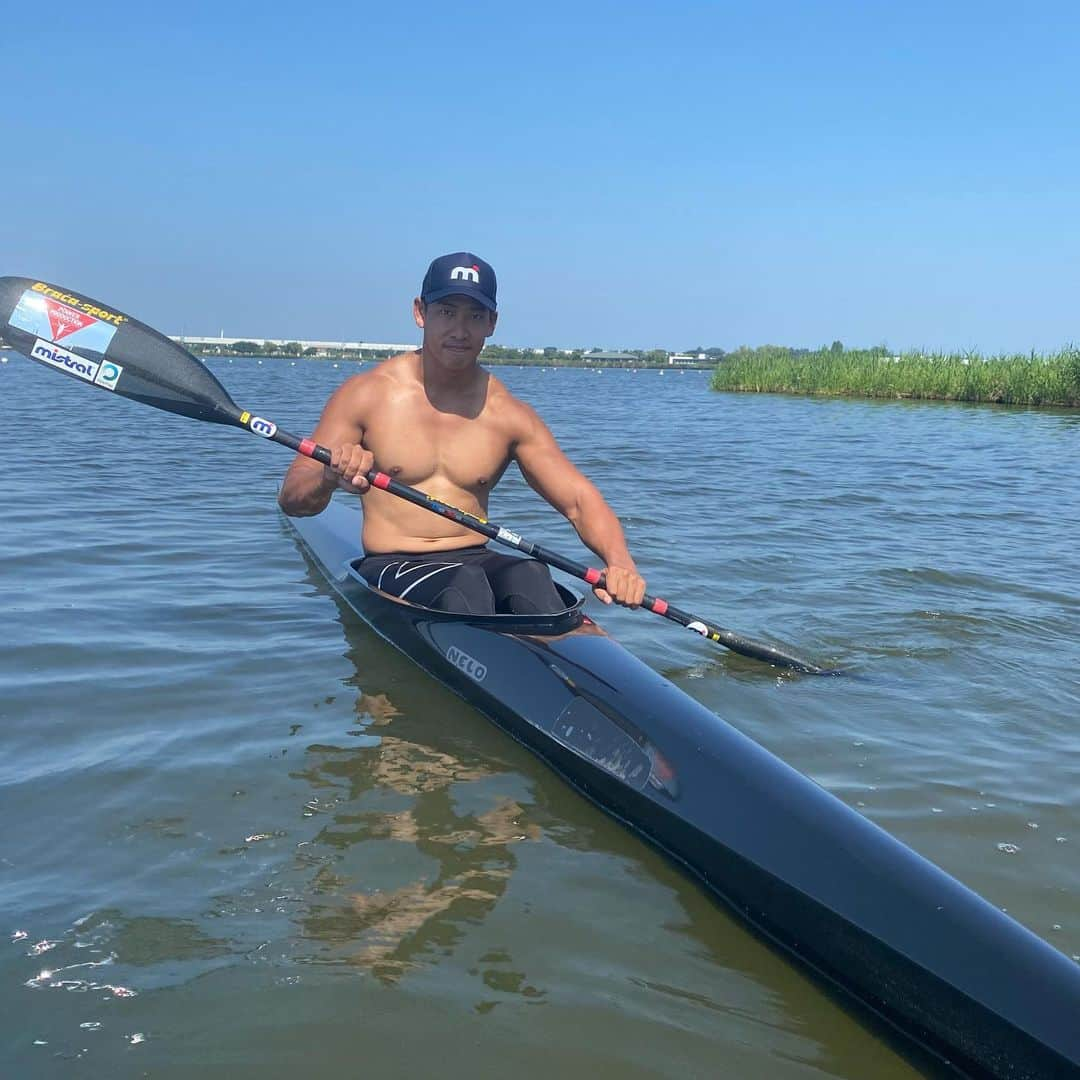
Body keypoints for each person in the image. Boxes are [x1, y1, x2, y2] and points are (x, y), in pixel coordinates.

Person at [278, 252, 646, 616]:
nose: (459, 330)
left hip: (475, 558)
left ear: (492, 323)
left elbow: (579, 501)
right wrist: (329, 476)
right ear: (420, 312)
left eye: (475, 316)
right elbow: (292, 498)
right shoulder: (366, 396)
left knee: (532, 575)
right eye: (447, 312)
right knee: (464, 587)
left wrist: (620, 562)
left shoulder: (508, 414)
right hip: (394, 562)